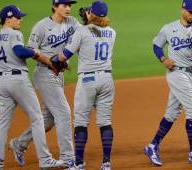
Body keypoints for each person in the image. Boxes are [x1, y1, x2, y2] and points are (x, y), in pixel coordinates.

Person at [0, 5, 64, 169]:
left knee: (2, 125)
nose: (20, 19)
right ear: (8, 18)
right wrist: (34, 52)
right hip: (18, 80)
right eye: (18, 17)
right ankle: (45, 160)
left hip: (2, 83)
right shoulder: (15, 34)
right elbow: (19, 51)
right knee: (37, 118)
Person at [8, 0, 81, 168]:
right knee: (63, 113)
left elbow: (81, 38)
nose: (68, 8)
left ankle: (18, 144)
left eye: (70, 5)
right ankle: (69, 158)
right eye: (64, 5)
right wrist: (51, 62)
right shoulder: (41, 26)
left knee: (48, 119)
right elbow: (30, 51)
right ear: (55, 6)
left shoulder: (73, 22)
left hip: (58, 74)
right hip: (44, 73)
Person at [143, 0, 192, 166]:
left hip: (189, 74)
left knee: (172, 113)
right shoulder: (168, 28)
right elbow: (156, 45)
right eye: (189, 11)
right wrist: (163, 59)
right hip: (176, 74)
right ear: (182, 9)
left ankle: (152, 146)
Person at [51, 1, 115, 169]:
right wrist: (90, 20)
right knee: (105, 122)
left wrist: (53, 60)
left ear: (90, 14)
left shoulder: (82, 31)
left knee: (80, 121)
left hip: (88, 81)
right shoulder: (112, 32)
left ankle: (78, 163)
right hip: (107, 80)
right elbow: (97, 32)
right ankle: (106, 163)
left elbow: (64, 56)